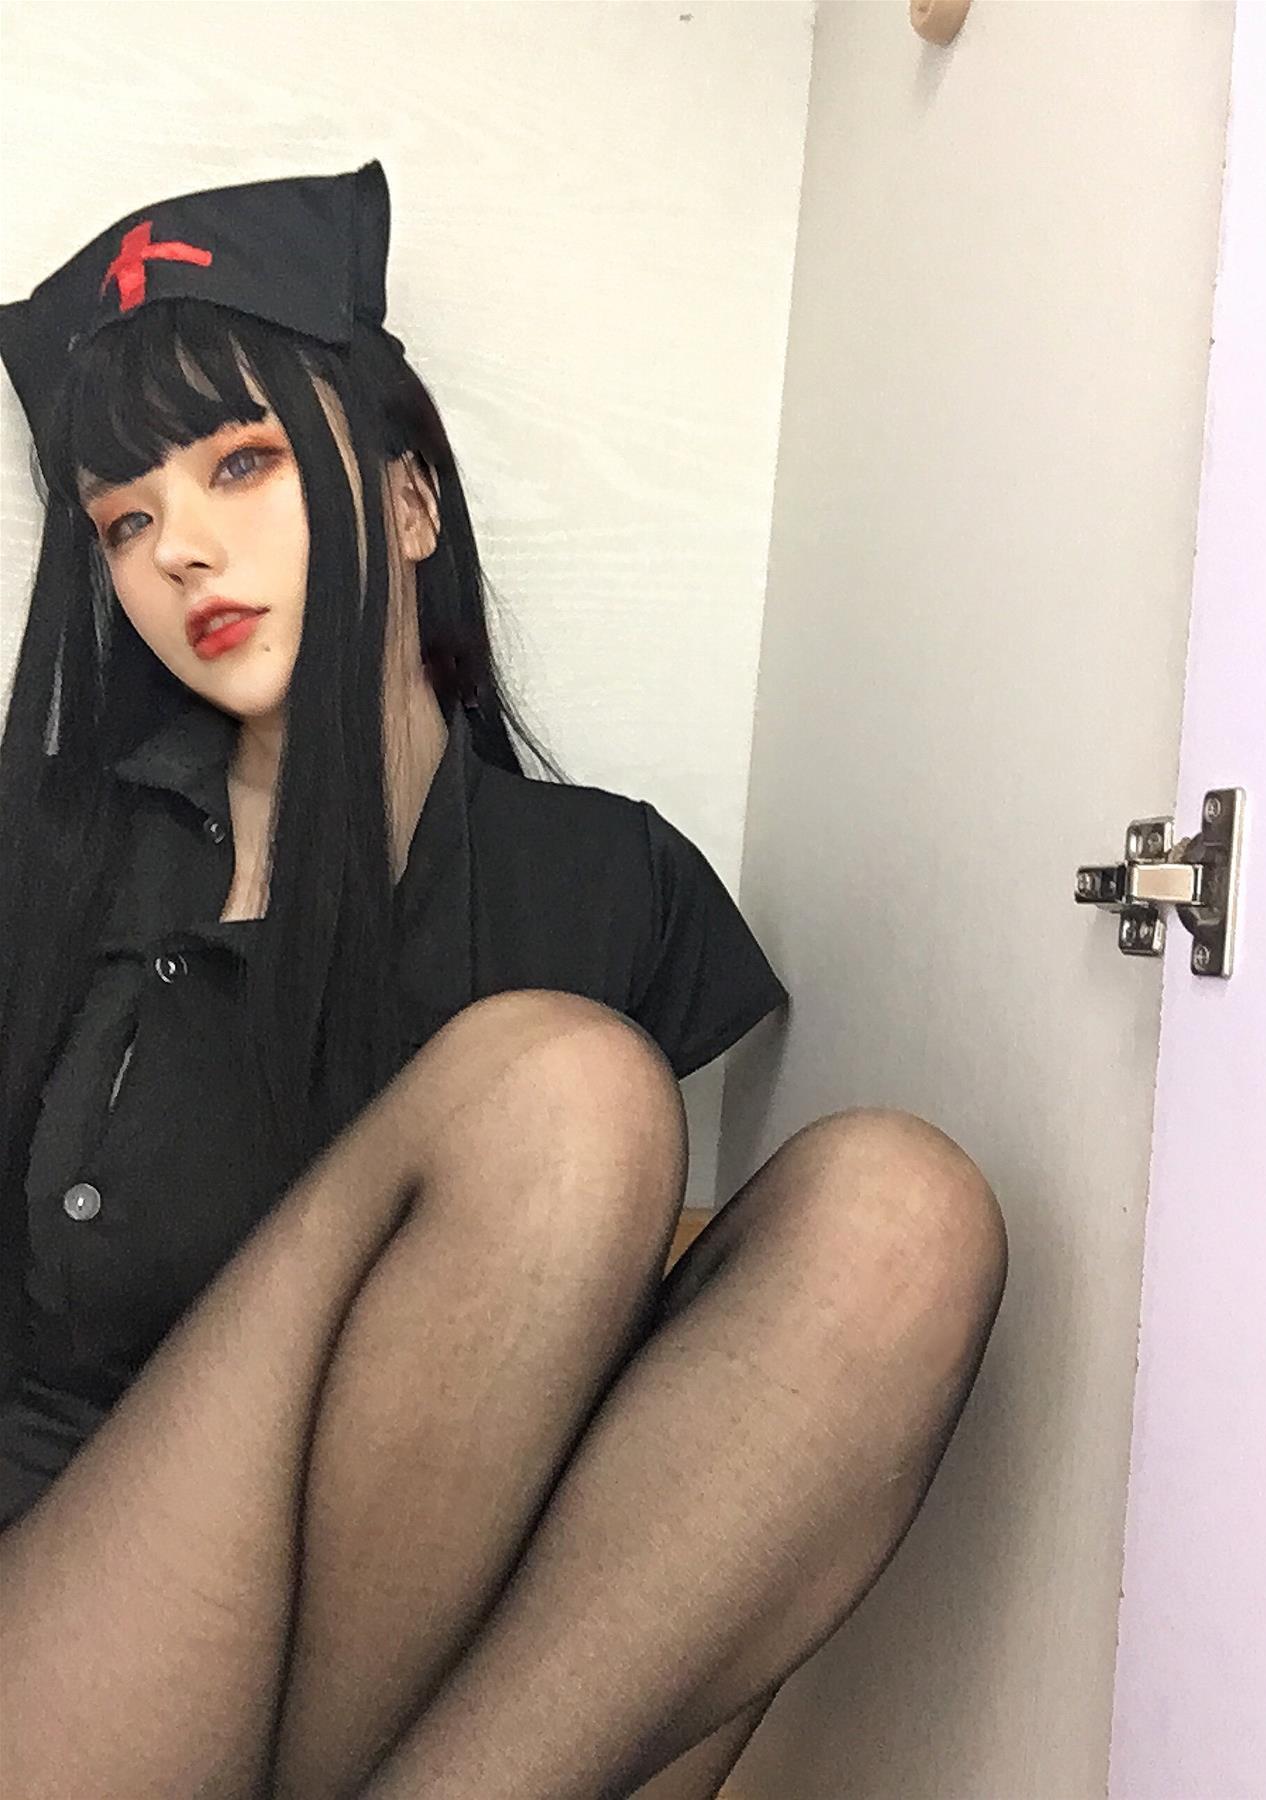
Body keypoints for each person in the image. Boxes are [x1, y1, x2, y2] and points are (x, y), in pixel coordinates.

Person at [0, 160, 1008, 1799]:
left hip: (435, 1677)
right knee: (561, 1088)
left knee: (899, 1217)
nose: (178, 547)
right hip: (64, 1635)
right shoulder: (45, 852)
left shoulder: (611, 884)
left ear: (410, 506)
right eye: (125, 518)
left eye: (241, 462)